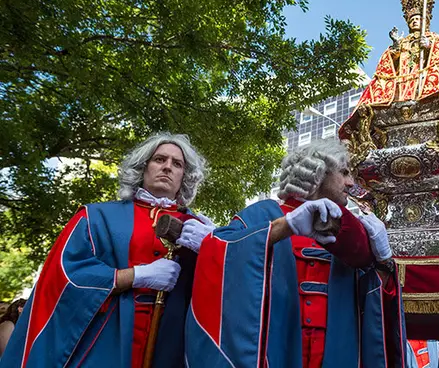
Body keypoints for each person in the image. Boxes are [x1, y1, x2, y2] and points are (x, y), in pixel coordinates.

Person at [186, 139, 407, 367]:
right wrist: (285, 227)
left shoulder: (351, 232)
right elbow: (218, 252)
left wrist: (383, 259)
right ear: (318, 171)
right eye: (344, 172)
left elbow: (376, 308)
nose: (351, 183)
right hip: (275, 352)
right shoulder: (261, 214)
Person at [0, 133, 214, 368]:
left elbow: (233, 290)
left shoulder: (200, 228)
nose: (167, 167)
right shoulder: (95, 217)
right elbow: (63, 276)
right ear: (143, 167)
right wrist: (134, 276)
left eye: (177, 164)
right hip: (105, 344)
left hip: (174, 347)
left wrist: (217, 248)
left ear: (185, 176)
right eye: (159, 159)